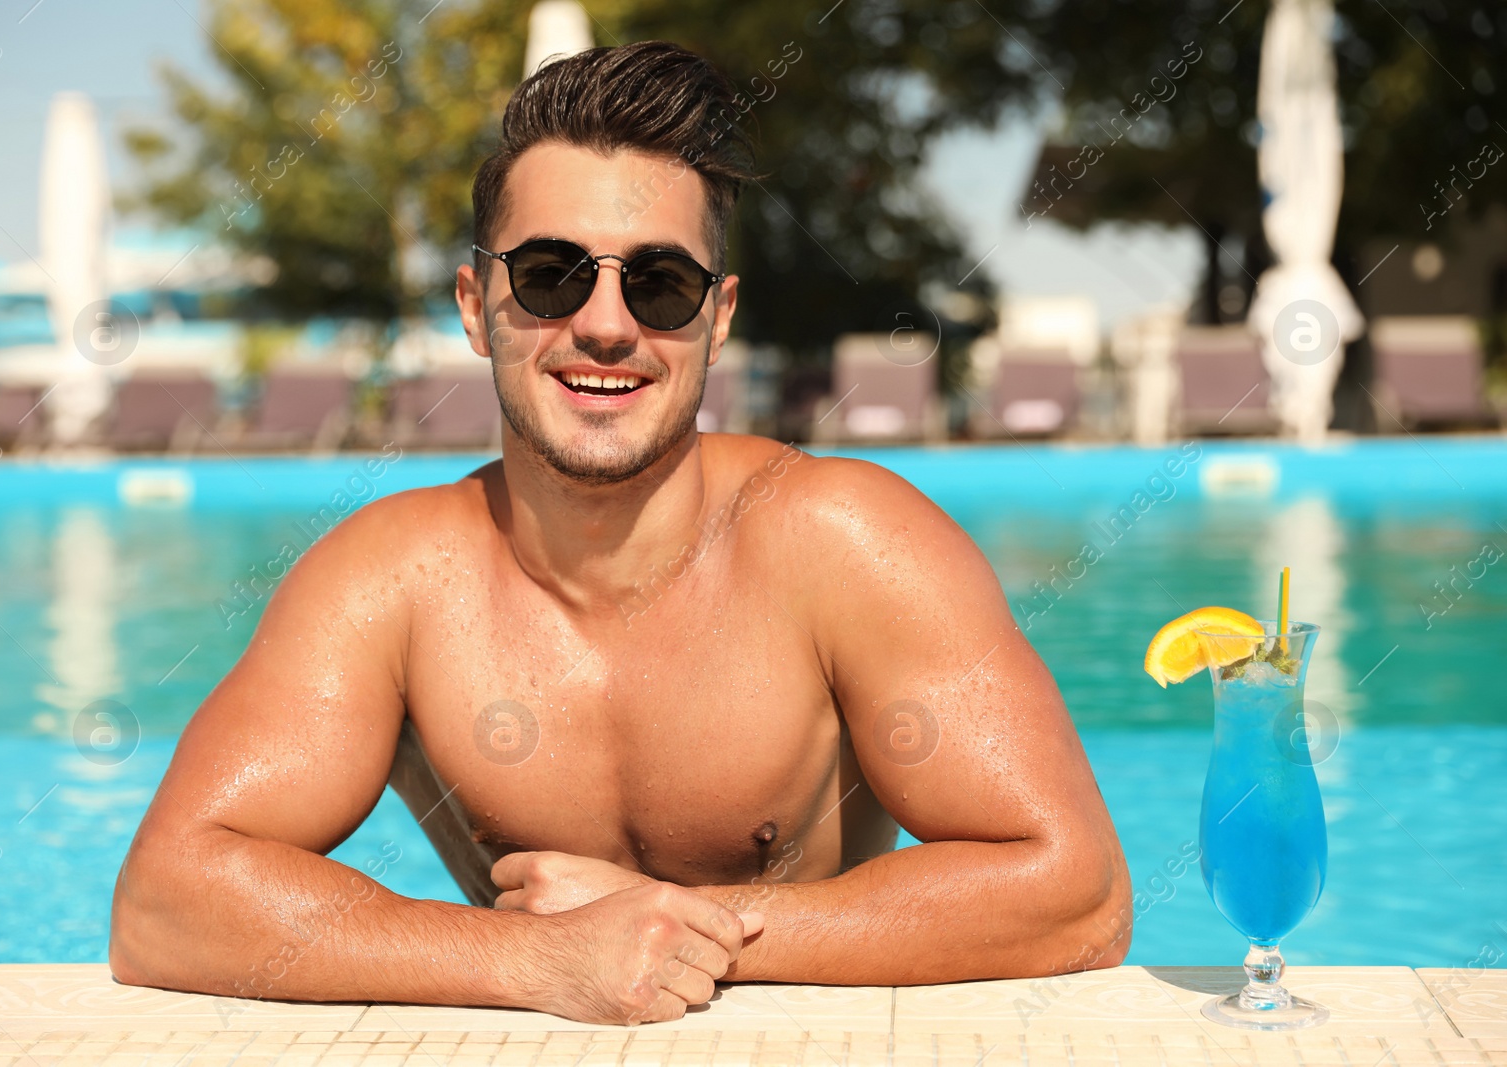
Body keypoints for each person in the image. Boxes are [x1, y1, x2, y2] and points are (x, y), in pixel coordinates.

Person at [110, 40, 1131, 1026]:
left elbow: (1073, 888)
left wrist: (691, 927)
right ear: (475, 304)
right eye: (551, 274)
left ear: (717, 318)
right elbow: (166, 901)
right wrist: (538, 957)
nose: (605, 324)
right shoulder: (392, 579)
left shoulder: (842, 541)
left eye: (659, 283)